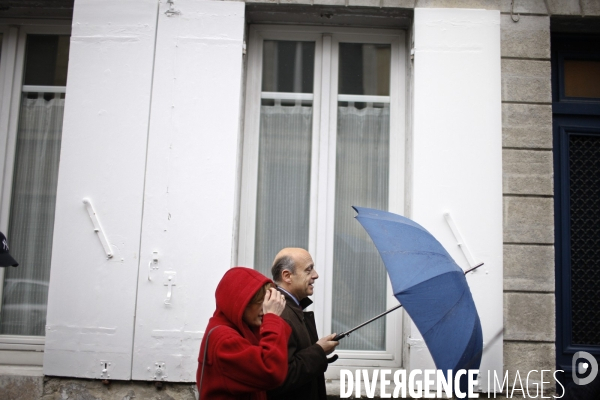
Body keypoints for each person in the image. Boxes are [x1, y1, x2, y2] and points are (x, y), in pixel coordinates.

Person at [196, 267, 291, 400]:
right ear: (240, 303)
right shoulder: (225, 340)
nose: (264, 308)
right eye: (259, 302)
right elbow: (271, 371)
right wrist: (272, 319)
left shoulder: (240, 327)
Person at [267, 248, 339, 400]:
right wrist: (318, 351)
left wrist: (319, 351)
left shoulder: (289, 308)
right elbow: (282, 377)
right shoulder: (281, 314)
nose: (316, 275)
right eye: (308, 270)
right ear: (287, 276)